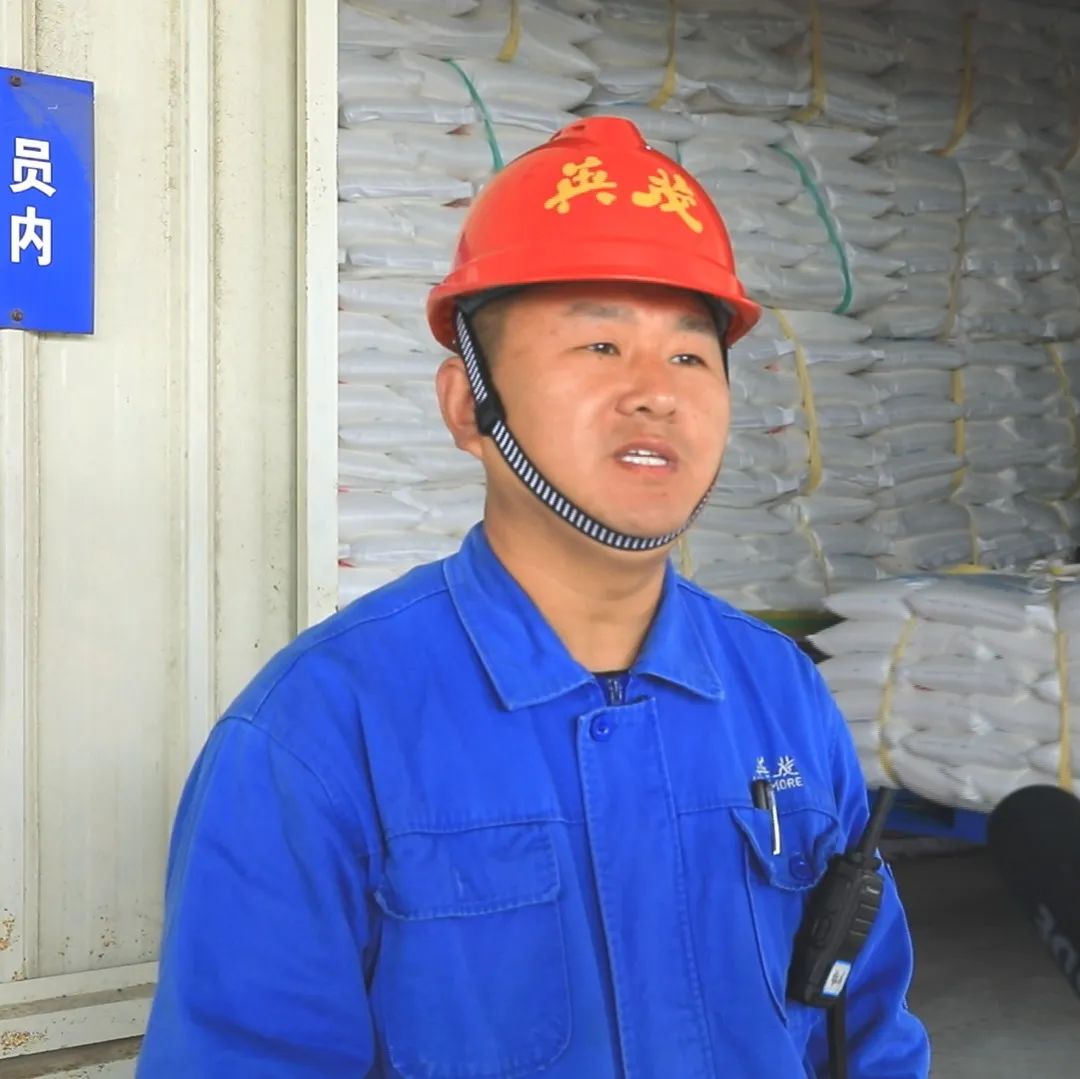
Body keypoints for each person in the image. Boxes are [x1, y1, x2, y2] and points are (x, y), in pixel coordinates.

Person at [138, 116, 930, 1077]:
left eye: (690, 355)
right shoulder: (318, 731)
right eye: (600, 344)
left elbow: (869, 1031)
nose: (656, 393)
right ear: (467, 405)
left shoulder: (778, 691)